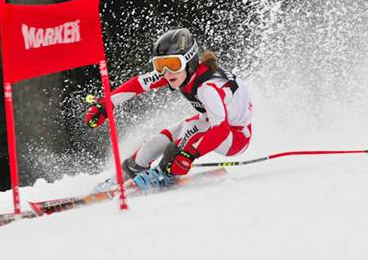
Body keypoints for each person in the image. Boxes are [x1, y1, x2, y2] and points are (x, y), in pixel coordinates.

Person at [85, 28, 253, 190]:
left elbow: (221, 130)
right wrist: (106, 104)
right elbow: (138, 84)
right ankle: (128, 173)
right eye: (160, 65)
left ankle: (163, 174)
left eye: (172, 64)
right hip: (211, 123)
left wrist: (189, 155)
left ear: (189, 61)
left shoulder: (207, 88)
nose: (165, 72)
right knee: (157, 142)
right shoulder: (179, 73)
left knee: (191, 128)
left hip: (236, 137)